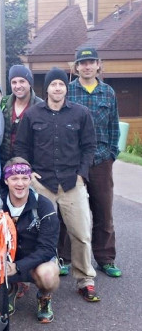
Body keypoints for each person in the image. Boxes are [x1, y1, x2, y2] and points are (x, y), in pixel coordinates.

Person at [14, 67, 99, 302]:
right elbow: (20, 147)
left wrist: (81, 174)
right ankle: (33, 278)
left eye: (61, 84)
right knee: (35, 234)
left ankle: (85, 279)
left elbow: (89, 146)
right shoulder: (32, 115)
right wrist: (28, 173)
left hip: (73, 183)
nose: (57, 88)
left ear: (66, 87)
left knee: (81, 234)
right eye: (53, 84)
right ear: (47, 88)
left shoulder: (81, 114)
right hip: (42, 185)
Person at [60, 48, 122, 277]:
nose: (86, 66)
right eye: (82, 63)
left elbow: (114, 127)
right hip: (74, 161)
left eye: (90, 62)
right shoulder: (68, 92)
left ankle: (105, 258)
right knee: (69, 210)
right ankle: (64, 258)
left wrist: (111, 154)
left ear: (98, 65)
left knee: (103, 210)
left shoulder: (108, 92)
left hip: (101, 160)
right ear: (75, 67)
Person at [0, 157, 60, 324]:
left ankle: (44, 296)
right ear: (6, 180)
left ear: (30, 179)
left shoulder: (44, 206)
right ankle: (10, 288)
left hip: (37, 261)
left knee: (48, 276)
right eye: (14, 178)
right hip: (7, 260)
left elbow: (48, 249)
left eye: (25, 178)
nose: (20, 183)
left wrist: (18, 267)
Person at [0, 65, 43, 167]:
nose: (18, 86)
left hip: (29, 166)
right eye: (14, 82)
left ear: (30, 83)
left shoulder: (40, 106)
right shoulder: (3, 103)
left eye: (22, 81)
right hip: (5, 164)